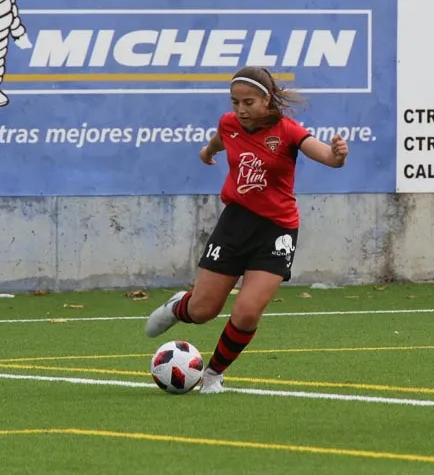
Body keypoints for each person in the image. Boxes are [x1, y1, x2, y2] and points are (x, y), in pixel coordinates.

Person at [145, 65, 349, 394]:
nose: (241, 109)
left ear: (267, 100)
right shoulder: (229, 124)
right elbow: (220, 140)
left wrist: (337, 156)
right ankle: (178, 307)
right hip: (235, 225)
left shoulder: (288, 131)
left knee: (248, 312)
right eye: (235, 102)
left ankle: (213, 374)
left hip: (277, 232)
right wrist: (207, 151)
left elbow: (326, 155)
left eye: (248, 102)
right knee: (202, 310)